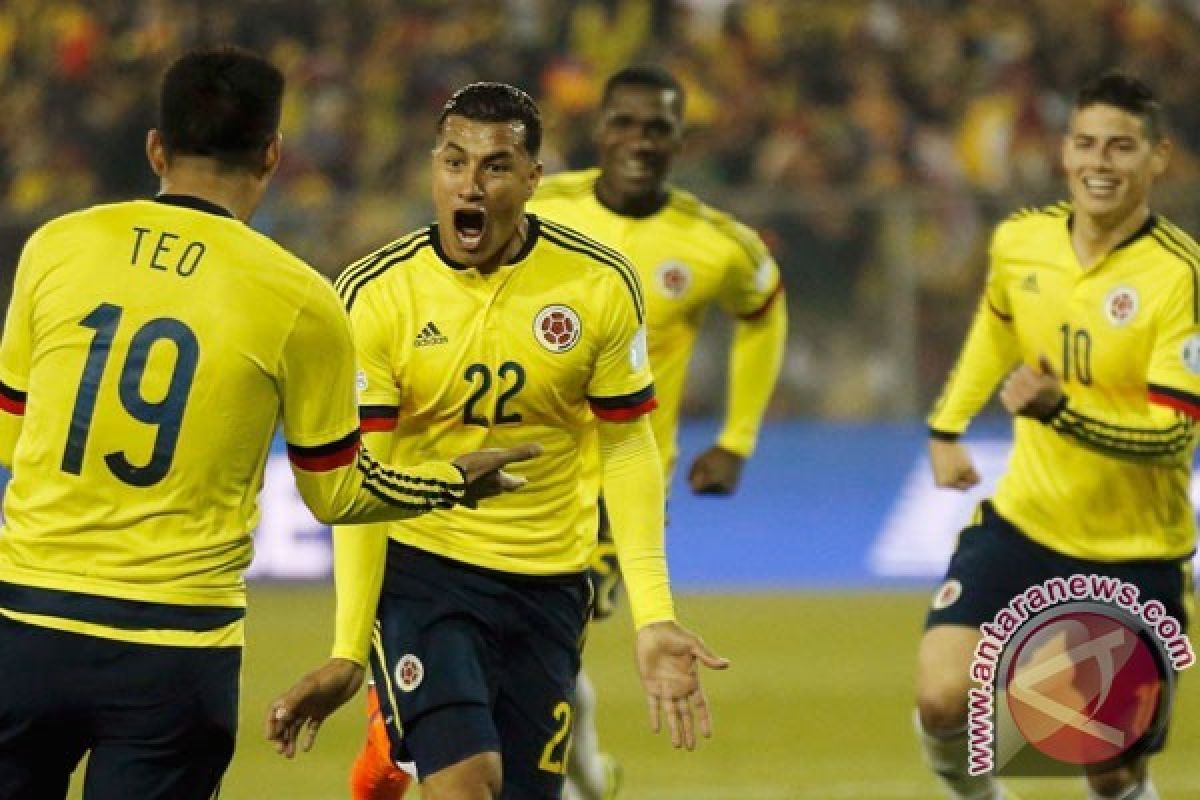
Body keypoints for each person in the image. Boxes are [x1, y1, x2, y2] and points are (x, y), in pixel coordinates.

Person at [0, 47, 536, 800]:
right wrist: (448, 482)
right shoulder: (298, 297)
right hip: (175, 645)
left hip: (24, 625)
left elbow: (11, 436)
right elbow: (335, 494)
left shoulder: (57, 246)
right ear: (273, 154)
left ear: (157, 146)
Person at [269, 82, 728, 800]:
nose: (470, 185)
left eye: (495, 166)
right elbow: (367, 474)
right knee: (466, 784)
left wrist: (654, 615)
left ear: (533, 180)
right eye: (454, 163)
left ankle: (390, 748)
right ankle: (394, 729)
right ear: (433, 170)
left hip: (550, 586)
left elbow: (627, 445)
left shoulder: (596, 285)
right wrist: (347, 648)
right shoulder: (379, 293)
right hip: (427, 574)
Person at [918, 71, 1196, 800]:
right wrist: (946, 426)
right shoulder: (1021, 241)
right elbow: (995, 325)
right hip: (1025, 523)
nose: (1100, 163)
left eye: (1121, 148)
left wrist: (1060, 413)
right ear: (1065, 152)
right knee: (943, 700)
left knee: (1107, 772)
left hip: (1134, 550)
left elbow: (1173, 437)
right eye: (1086, 144)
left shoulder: (1179, 279)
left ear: (1157, 158)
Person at [530, 64, 788, 800]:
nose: (640, 140)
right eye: (626, 123)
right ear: (599, 128)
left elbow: (765, 311)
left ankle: (572, 781)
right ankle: (586, 777)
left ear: (680, 139)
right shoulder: (543, 205)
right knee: (536, 645)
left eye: (658, 127)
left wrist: (739, 436)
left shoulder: (716, 243)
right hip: (521, 466)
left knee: (551, 639)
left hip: (619, 479)